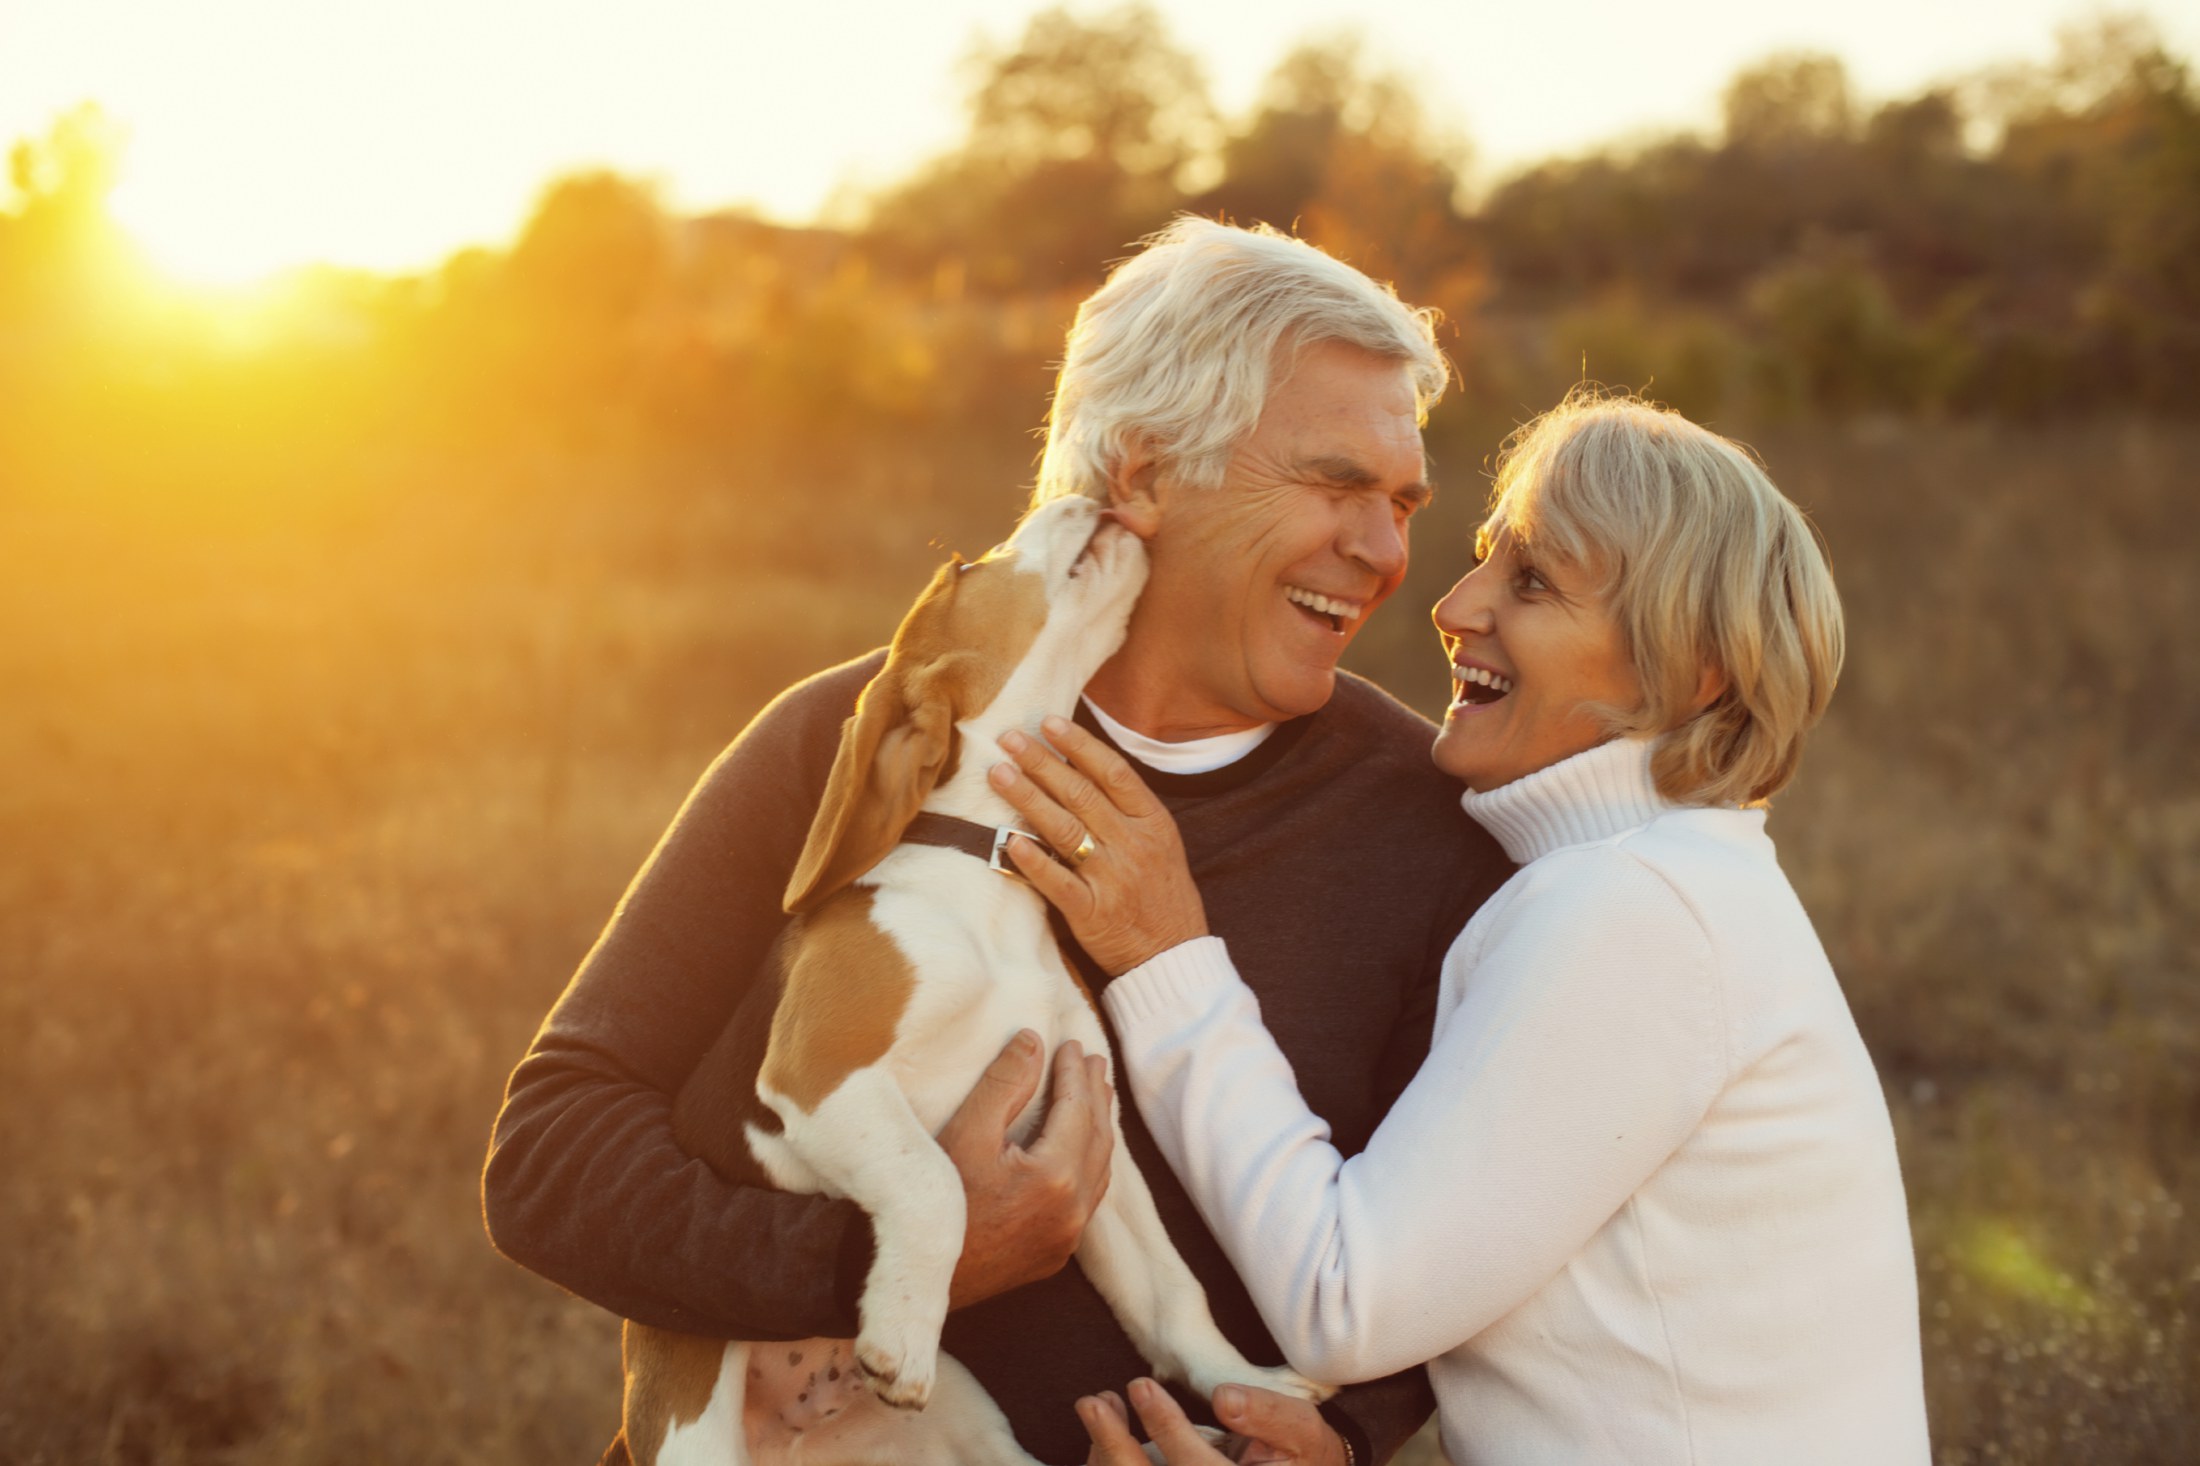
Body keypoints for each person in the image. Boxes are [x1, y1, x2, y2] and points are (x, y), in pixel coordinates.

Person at [481, 218, 1514, 1465]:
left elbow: (1453, 1259)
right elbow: (549, 1155)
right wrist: (893, 1261)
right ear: (1136, 470)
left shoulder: (1431, 831)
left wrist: (1330, 1443)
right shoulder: (856, 740)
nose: (1384, 552)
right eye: (1333, 484)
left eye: (1401, 502)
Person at [990, 390, 1931, 1465]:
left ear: (1690, 667)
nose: (1452, 602)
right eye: (1486, 557)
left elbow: (1346, 1297)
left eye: (1531, 580)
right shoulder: (1663, 884)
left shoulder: (1632, 909)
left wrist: (1164, 954)